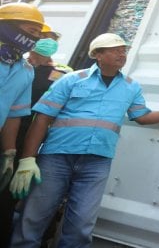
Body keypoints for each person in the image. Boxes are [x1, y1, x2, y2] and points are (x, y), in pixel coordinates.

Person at [9, 33, 159, 247]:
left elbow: (142, 117)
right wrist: (28, 159)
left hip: (96, 162)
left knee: (81, 224)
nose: (122, 53)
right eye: (115, 49)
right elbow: (42, 118)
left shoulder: (131, 87)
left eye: (123, 50)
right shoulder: (72, 79)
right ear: (98, 55)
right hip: (56, 157)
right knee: (34, 218)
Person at [0, 29, 72, 247]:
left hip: (28, 136)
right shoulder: (16, 63)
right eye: (42, 39)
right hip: (7, 125)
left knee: (9, 194)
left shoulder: (62, 73)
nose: (46, 44)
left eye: (51, 41)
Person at [0, 3, 46, 191]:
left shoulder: (26, 70)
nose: (34, 37)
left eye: (38, 33)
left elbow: (13, 115)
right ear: (8, 25)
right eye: (31, 30)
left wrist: (9, 153)